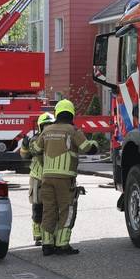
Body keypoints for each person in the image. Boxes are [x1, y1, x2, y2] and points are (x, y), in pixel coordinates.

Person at [31, 99, 97, 256]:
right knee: (66, 211)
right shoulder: (73, 131)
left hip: (46, 178)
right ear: (71, 114)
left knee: (48, 211)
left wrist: (43, 162)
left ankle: (47, 244)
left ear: (57, 113)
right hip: (65, 179)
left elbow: (35, 149)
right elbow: (86, 148)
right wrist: (94, 144)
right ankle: (62, 244)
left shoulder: (46, 131)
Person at [20, 112, 54, 245]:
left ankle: (50, 234)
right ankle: (38, 233)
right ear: (40, 127)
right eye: (45, 125)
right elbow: (25, 156)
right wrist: (24, 146)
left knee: (51, 207)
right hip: (37, 177)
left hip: (51, 177)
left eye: (50, 125)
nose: (47, 128)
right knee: (37, 206)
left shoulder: (56, 139)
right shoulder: (35, 139)